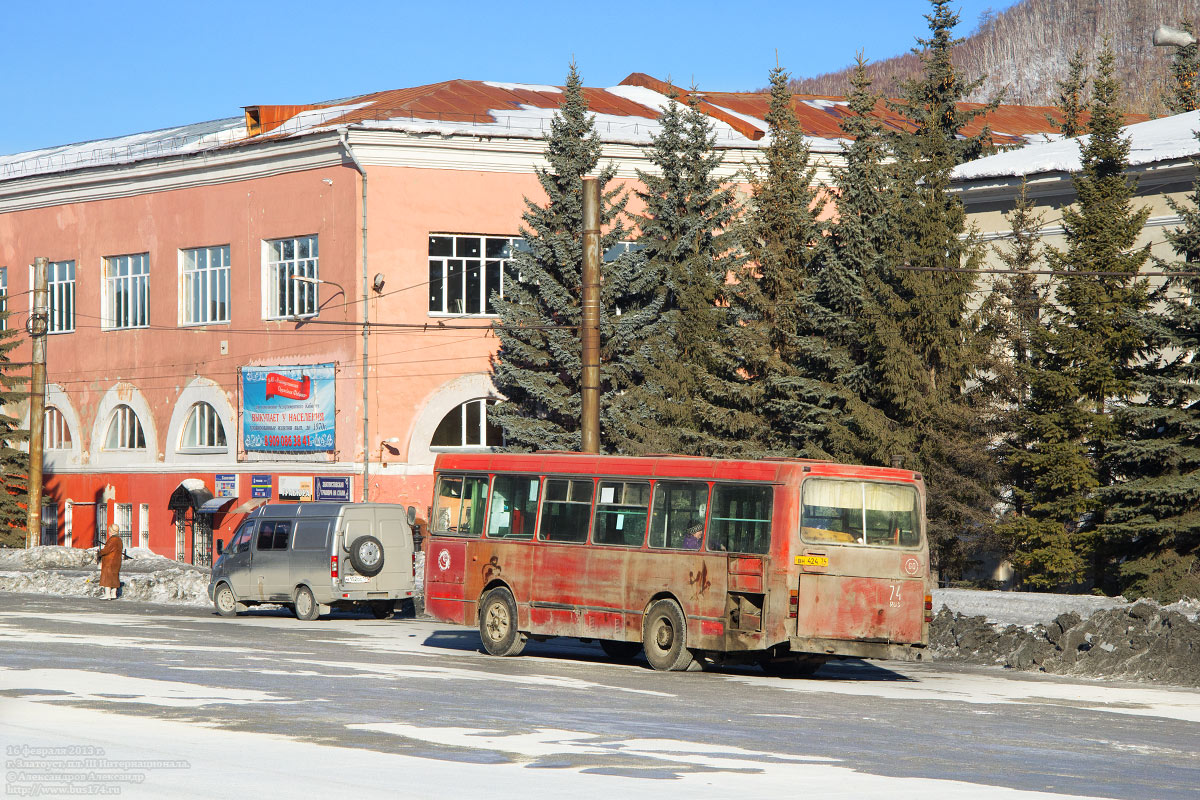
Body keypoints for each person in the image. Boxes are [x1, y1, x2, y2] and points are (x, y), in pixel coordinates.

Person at [97, 526, 124, 600]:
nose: (108, 532)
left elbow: (107, 550)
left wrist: (100, 553)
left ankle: (107, 594)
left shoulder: (112, 540)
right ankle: (113, 594)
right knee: (114, 577)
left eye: (109, 531)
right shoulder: (119, 540)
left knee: (107, 578)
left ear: (112, 531)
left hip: (109, 561)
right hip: (117, 561)